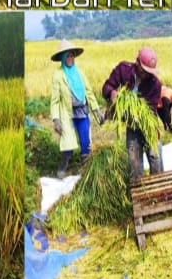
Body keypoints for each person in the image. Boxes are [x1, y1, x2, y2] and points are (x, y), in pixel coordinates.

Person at [102, 47, 163, 182]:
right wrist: (111, 92)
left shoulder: (155, 84)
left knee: (155, 156)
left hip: (148, 125)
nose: (146, 74)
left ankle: (159, 186)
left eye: (149, 72)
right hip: (131, 125)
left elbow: (151, 110)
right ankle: (139, 188)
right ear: (137, 62)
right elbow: (107, 87)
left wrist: (150, 125)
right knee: (134, 159)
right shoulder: (123, 70)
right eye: (144, 70)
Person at [50, 40, 104, 178]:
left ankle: (85, 165)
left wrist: (96, 110)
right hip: (67, 113)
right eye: (67, 56)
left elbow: (89, 92)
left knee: (85, 140)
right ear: (63, 58)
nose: (70, 58)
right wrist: (56, 119)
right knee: (67, 140)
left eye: (72, 55)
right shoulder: (58, 75)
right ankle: (64, 162)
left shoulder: (80, 73)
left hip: (82, 111)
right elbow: (55, 100)